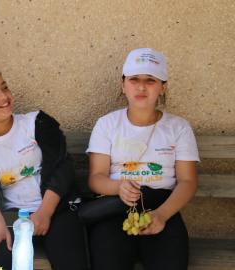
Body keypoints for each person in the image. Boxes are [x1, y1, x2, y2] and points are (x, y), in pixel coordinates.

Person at [0, 68, 89, 270]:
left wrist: (44, 213)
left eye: (5, 88)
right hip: (13, 217)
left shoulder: (37, 122)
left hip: (56, 211)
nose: (4, 97)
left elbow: (62, 168)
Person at [86, 48, 199, 270]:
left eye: (150, 80)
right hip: (116, 206)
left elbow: (188, 181)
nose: (141, 86)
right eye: (134, 79)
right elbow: (96, 178)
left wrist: (161, 215)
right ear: (123, 84)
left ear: (162, 87)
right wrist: (118, 187)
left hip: (163, 206)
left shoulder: (178, 128)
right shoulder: (107, 124)